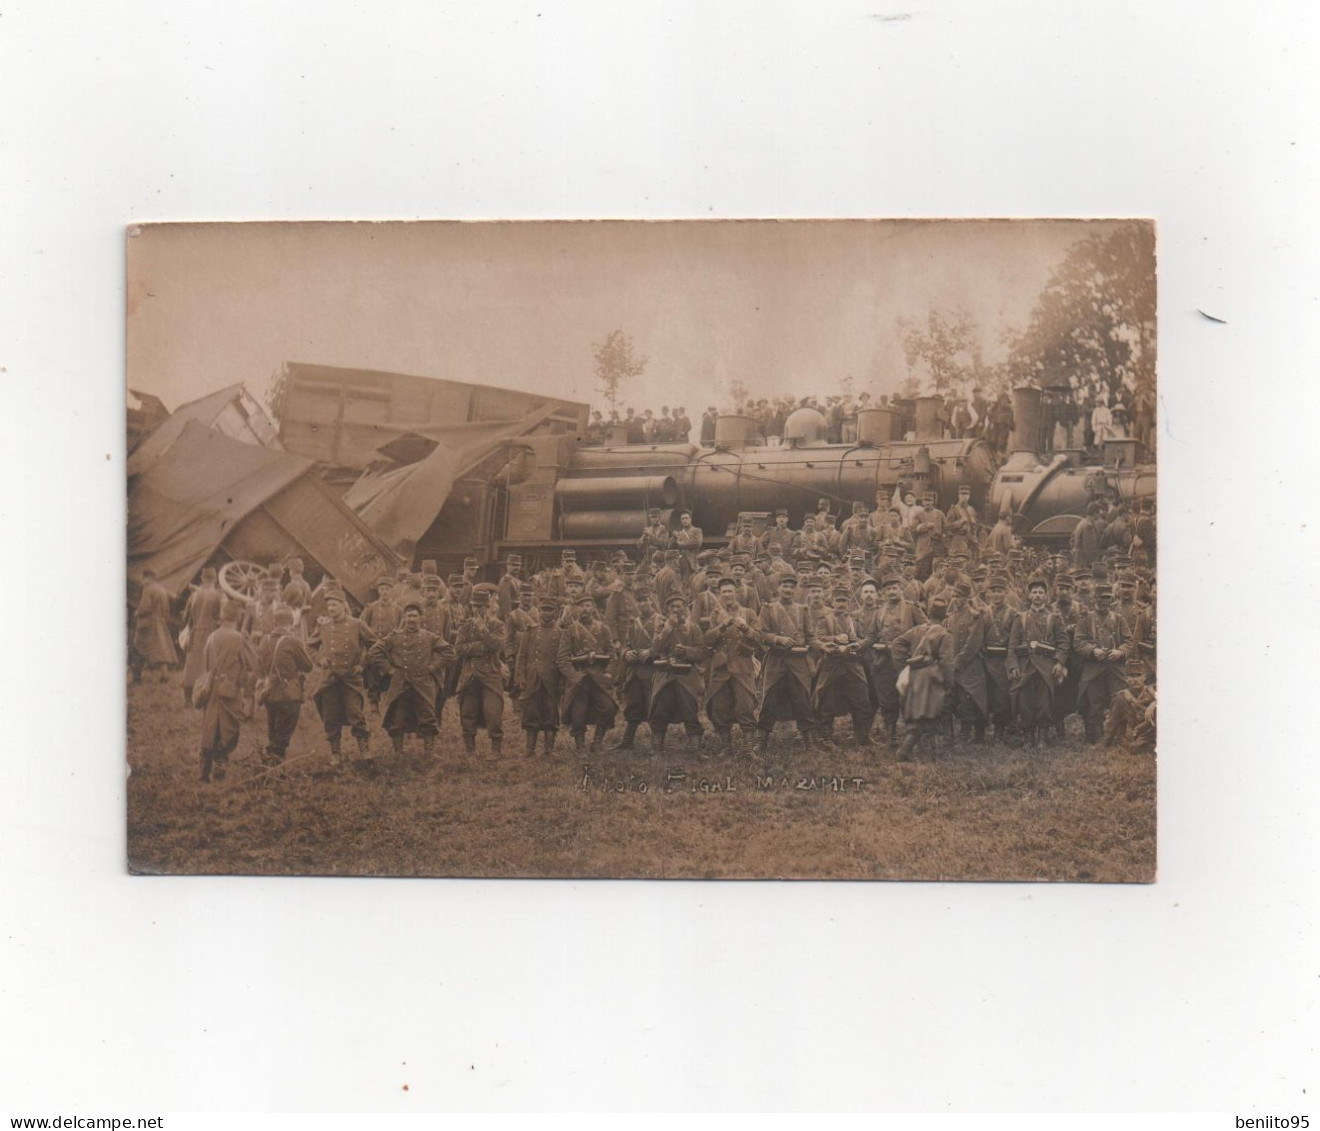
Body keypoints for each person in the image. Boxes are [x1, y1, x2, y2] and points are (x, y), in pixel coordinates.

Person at [369, 599, 455, 765]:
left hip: (422, 684)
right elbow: (374, 652)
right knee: (398, 719)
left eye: (415, 616)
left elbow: (449, 651)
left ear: (421, 618)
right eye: (409, 616)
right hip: (401, 685)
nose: (411, 619)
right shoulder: (394, 637)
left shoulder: (429, 637)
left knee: (428, 718)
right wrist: (389, 669)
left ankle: (429, 753)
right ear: (404, 618)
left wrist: (433, 667)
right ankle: (398, 753)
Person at [310, 585, 378, 768]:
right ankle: (335, 754)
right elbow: (310, 646)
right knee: (330, 717)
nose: (331, 609)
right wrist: (319, 659)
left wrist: (362, 664)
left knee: (355, 713)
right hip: (330, 679)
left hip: (351, 679)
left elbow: (376, 645)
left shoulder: (356, 625)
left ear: (343, 605)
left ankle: (365, 751)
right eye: (329, 606)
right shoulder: (324, 627)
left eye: (334, 605)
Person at [754, 574, 818, 756]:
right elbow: (761, 634)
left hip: (798, 663)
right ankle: (761, 741)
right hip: (776, 661)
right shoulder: (768, 609)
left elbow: (811, 636)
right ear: (778, 587)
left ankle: (809, 741)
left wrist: (822, 646)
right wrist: (778, 639)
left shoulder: (802, 610)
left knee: (803, 700)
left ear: (795, 589)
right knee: (769, 701)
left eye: (791, 587)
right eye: (784, 586)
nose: (788, 590)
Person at [195, 602, 257, 783]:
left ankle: (204, 772)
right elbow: (252, 664)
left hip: (211, 689)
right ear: (237, 618)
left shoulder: (212, 637)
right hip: (230, 691)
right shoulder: (239, 638)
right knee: (228, 729)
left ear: (222, 618)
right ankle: (220, 769)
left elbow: (206, 664)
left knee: (209, 728)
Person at [889, 594, 955, 760]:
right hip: (931, 678)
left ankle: (929, 752)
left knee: (925, 713)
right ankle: (903, 752)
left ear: (929, 615)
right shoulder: (944, 635)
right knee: (924, 714)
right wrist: (949, 683)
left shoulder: (917, 629)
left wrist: (903, 664)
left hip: (915, 674)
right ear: (945, 616)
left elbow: (896, 644)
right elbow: (947, 663)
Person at [1007, 575, 1069, 746]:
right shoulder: (1020, 617)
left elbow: (1064, 643)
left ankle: (1042, 735)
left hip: (1046, 666)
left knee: (1044, 701)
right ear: (1029, 595)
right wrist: (1013, 666)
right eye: (1034, 592)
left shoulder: (1054, 617)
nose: (1037, 595)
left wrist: (1059, 662)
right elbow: (1012, 646)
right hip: (1025, 665)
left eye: (1041, 592)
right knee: (1024, 702)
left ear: (1046, 595)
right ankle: (1028, 735)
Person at [810, 587, 875, 748]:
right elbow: (817, 638)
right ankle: (826, 737)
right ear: (832, 602)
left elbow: (864, 638)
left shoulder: (854, 620)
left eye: (844, 601)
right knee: (827, 701)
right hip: (832, 664)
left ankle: (862, 735)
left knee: (862, 699)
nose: (841, 605)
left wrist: (856, 641)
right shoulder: (824, 619)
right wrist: (836, 638)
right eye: (838, 601)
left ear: (849, 603)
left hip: (852, 664)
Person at [703, 577, 759, 756]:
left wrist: (744, 628)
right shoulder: (715, 615)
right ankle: (726, 746)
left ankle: (748, 747)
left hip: (742, 667)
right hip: (721, 669)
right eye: (723, 592)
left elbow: (759, 639)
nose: (727, 594)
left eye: (730, 591)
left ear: (737, 593)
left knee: (746, 706)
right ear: (719, 595)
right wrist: (720, 627)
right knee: (719, 708)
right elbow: (707, 640)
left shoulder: (749, 613)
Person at [647, 593, 710, 751]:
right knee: (660, 710)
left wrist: (686, 651)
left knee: (690, 710)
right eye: (672, 607)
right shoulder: (661, 627)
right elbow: (654, 651)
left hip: (687, 676)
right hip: (666, 675)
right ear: (667, 610)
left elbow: (702, 652)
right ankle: (656, 748)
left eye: (679, 606)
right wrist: (667, 630)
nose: (676, 610)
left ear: (685, 609)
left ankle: (695, 748)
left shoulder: (693, 628)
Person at [556, 593, 618, 752]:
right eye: (581, 606)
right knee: (578, 713)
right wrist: (574, 676)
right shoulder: (570, 630)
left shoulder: (603, 628)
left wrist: (609, 673)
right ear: (576, 609)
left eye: (588, 605)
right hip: (579, 677)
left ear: (593, 607)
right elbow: (562, 659)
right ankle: (580, 746)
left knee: (608, 708)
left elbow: (612, 654)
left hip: (599, 677)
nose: (585, 609)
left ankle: (597, 742)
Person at [255, 605, 313, 767]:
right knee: (281, 737)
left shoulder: (263, 641)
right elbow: (308, 666)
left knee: (273, 732)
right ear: (291, 621)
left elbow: (258, 668)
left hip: (269, 694)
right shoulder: (293, 641)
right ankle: (273, 770)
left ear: (274, 622)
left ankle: (271, 763)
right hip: (289, 694)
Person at [454, 583, 508, 756]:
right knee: (468, 713)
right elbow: (459, 649)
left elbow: (499, 645)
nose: (478, 609)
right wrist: (483, 646)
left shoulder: (497, 625)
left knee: (493, 713)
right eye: (475, 606)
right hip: (470, 675)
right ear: (471, 607)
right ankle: (470, 751)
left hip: (491, 675)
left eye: (482, 606)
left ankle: (496, 751)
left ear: (488, 607)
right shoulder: (465, 626)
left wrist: (483, 631)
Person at [1073, 581, 1129, 744]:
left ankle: (1118, 735)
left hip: (1115, 668)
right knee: (1093, 704)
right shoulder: (1085, 619)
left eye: (1108, 598)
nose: (1105, 602)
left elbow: (1129, 641)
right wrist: (1093, 651)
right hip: (1093, 668)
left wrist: (1120, 651)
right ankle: (1095, 737)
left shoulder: (1118, 619)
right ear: (1095, 599)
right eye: (1101, 598)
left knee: (1118, 700)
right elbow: (1078, 641)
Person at [514, 595, 565, 757]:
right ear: (539, 611)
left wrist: (563, 681)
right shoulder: (531, 632)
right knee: (531, 713)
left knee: (551, 713)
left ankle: (549, 750)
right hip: (533, 679)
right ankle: (530, 749)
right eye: (543, 609)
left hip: (552, 680)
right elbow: (521, 657)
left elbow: (564, 660)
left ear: (556, 613)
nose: (546, 613)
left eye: (550, 610)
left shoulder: (561, 634)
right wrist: (520, 677)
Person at [614, 585, 663, 752]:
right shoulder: (633, 622)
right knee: (633, 705)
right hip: (635, 672)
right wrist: (626, 653)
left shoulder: (660, 621)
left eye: (646, 600)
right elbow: (626, 644)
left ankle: (656, 745)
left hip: (653, 672)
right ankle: (627, 742)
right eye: (639, 601)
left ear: (652, 601)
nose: (643, 604)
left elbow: (666, 646)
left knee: (653, 707)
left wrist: (651, 652)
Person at [181, 567, 225, 702]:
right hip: (211, 633)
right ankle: (206, 696)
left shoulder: (194, 595)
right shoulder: (219, 596)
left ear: (202, 579)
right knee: (209, 664)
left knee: (191, 665)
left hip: (195, 633)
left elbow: (186, 618)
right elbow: (222, 617)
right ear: (215, 579)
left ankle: (188, 698)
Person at [131, 568, 177, 682]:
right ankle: (164, 675)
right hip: (160, 623)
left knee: (138, 647)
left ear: (147, 578)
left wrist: (137, 613)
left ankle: (137, 677)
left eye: (144, 578)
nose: (142, 581)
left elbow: (145, 606)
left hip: (147, 624)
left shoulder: (148, 588)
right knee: (160, 650)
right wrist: (163, 620)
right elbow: (167, 610)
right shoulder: (162, 590)